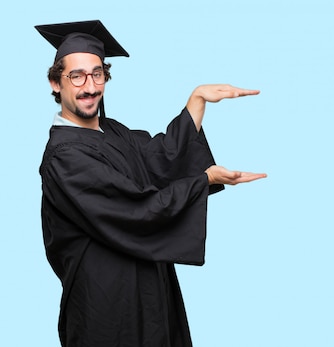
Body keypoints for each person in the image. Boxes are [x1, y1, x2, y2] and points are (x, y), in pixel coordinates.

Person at [35, 20, 266, 347]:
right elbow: (136, 207)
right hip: (107, 304)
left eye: (97, 73)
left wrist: (196, 101)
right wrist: (203, 180)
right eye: (77, 75)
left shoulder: (110, 131)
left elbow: (158, 157)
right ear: (56, 82)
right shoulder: (64, 157)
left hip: (148, 289)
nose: (90, 86)